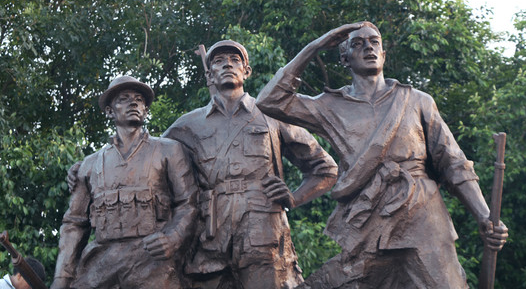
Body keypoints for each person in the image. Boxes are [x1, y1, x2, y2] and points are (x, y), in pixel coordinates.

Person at [256, 22, 509, 288]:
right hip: (367, 216)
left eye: (374, 42)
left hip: (421, 213)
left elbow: (453, 162)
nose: (368, 47)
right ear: (344, 58)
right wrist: (315, 46)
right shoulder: (329, 105)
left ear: (384, 53)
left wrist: (483, 214)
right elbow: (270, 100)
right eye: (357, 43)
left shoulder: (417, 100)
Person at [162, 40, 338, 289]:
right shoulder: (188, 125)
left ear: (247, 71)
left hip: (262, 232)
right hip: (210, 236)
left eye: (235, 61)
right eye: (219, 61)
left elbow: (326, 169)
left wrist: (294, 197)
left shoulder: (271, 115)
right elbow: (154, 169)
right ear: (209, 73)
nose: (228, 65)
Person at [51, 76, 198, 289]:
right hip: (101, 265)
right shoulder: (90, 165)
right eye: (124, 99)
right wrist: (61, 279)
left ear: (146, 110)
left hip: (153, 262)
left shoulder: (169, 150)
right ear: (110, 111)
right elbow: (74, 224)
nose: (133, 103)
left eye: (139, 99)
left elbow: (188, 203)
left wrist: (172, 238)